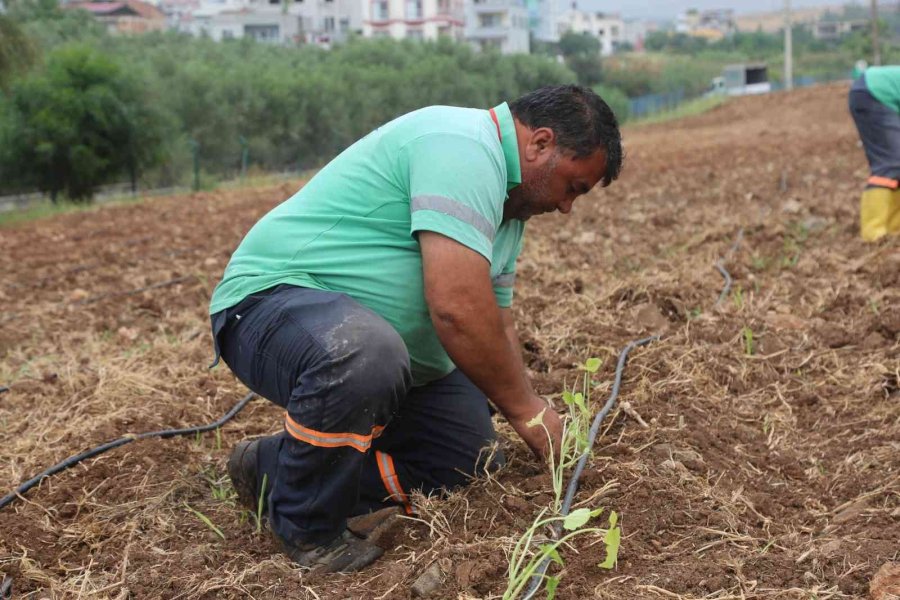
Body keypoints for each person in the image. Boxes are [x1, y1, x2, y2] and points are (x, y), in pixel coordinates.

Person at [208, 84, 623, 572]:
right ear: (540, 143)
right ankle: (310, 529)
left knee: (467, 463)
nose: (567, 207)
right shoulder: (462, 147)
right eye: (573, 187)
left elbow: (497, 322)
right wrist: (530, 413)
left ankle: (273, 467)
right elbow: (456, 308)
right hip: (269, 305)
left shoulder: (510, 212)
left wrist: (529, 407)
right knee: (363, 353)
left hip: (394, 358)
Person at [848, 65, 900, 241]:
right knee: (891, 163)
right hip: (874, 93)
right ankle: (873, 233)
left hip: (874, 91)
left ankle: (894, 230)